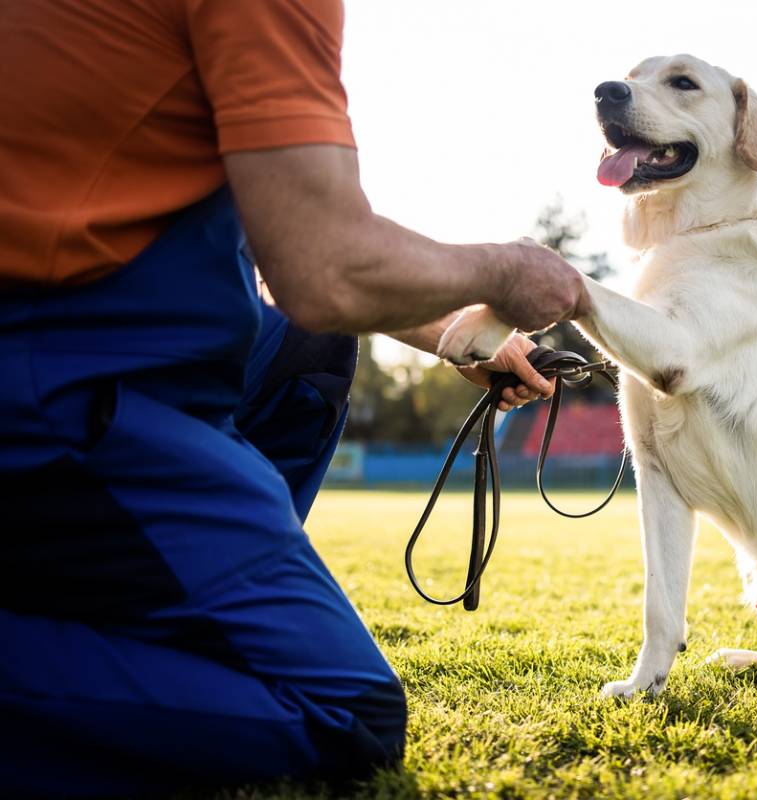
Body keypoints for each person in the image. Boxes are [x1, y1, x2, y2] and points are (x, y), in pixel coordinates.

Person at [0, 1, 587, 795]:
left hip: (87, 347)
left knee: (308, 348)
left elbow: (286, 258)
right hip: (62, 374)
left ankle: (174, 609)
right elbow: (322, 263)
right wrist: (506, 272)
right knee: (338, 712)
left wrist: (460, 332)